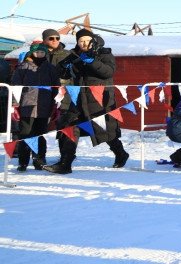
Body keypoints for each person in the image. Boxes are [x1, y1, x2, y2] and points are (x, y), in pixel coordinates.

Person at [44, 29, 131, 174]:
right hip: (78, 100)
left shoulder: (104, 53)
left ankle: (121, 153)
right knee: (69, 128)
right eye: (81, 41)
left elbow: (108, 72)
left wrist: (92, 61)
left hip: (100, 100)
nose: (84, 43)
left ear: (93, 40)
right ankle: (65, 164)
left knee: (105, 131)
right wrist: (63, 66)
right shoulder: (74, 55)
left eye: (87, 40)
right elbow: (60, 74)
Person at [11, 43, 59, 171]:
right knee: (26, 133)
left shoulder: (50, 68)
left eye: (42, 52)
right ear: (32, 53)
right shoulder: (23, 67)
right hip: (27, 105)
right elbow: (15, 86)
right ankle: (23, 161)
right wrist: (15, 104)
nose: (39, 54)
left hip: (44, 105)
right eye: (37, 52)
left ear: (46, 53)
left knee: (40, 134)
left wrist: (55, 102)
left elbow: (56, 87)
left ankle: (39, 159)